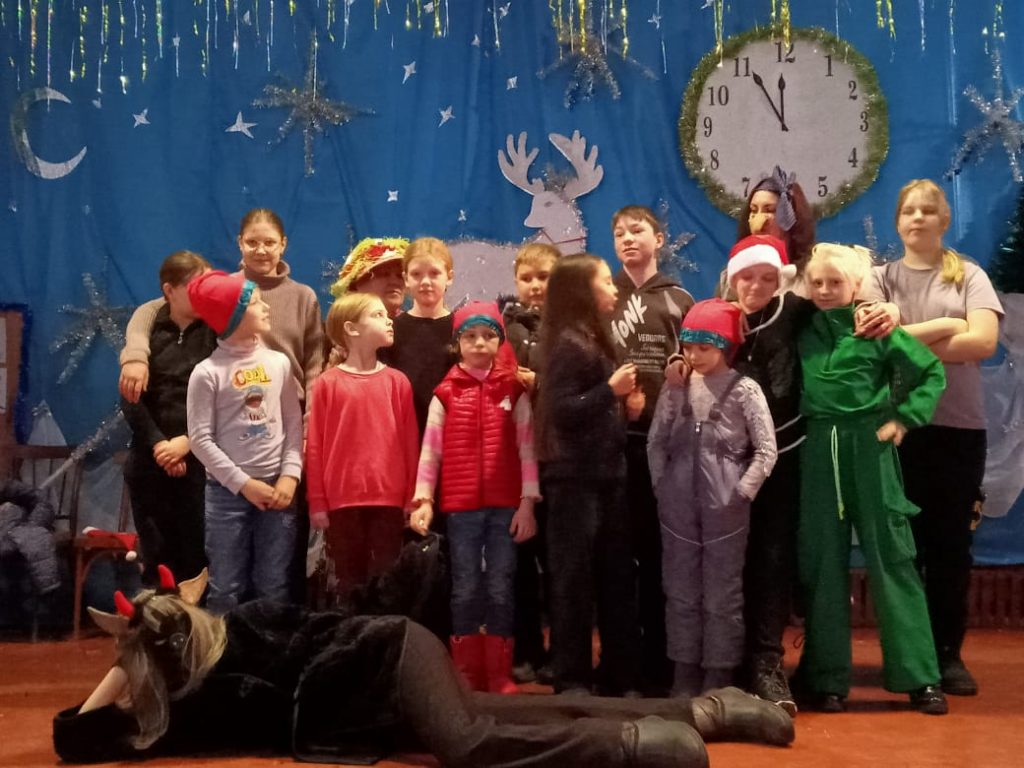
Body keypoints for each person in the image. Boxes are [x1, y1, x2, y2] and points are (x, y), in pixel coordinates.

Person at [54, 567, 795, 767]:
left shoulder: (248, 621)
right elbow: (76, 739)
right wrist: (125, 654)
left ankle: (630, 746)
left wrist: (131, 652)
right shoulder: (182, 710)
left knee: (466, 745)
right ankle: (710, 710)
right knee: (511, 714)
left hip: (394, 653)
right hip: (379, 707)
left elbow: (348, 628)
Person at [858, 179, 1004, 696]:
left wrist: (907, 339)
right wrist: (946, 325)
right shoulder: (878, 280)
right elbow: (872, 348)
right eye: (909, 211)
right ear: (898, 221)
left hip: (957, 431)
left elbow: (982, 342)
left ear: (944, 220)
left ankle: (947, 655)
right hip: (896, 430)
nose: (917, 218)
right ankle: (910, 656)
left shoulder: (970, 276)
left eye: (927, 210)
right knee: (903, 549)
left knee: (950, 548)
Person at [793, 243, 948, 715]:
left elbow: (931, 371)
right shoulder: (801, 328)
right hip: (818, 450)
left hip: (870, 446)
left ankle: (920, 677)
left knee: (893, 556)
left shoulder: (875, 326)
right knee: (821, 562)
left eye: (835, 282)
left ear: (856, 285)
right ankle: (826, 679)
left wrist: (905, 418)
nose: (825, 290)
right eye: (817, 282)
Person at [648, 298, 777, 697]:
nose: (694, 356)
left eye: (704, 347)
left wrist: (742, 492)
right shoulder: (675, 388)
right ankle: (684, 670)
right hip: (677, 506)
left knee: (723, 593)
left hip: (727, 509)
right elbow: (656, 442)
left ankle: (718, 673)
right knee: (680, 590)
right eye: (688, 347)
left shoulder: (745, 390)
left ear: (725, 345)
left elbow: (766, 450)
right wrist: (661, 485)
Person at [410, 301, 539, 694]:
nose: (479, 343)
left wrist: (527, 503)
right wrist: (424, 499)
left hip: (505, 507)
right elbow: (430, 451)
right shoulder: (445, 393)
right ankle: (465, 672)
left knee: (500, 586)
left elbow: (527, 449)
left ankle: (499, 672)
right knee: (465, 586)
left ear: (500, 340)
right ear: (458, 342)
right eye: (470, 336)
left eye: (488, 336)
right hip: (462, 509)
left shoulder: (514, 390)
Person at [535, 254, 642, 696]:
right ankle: (572, 676)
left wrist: (624, 408)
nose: (614, 288)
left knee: (614, 575)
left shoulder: (590, 337)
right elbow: (560, 410)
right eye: (605, 281)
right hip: (575, 480)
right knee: (573, 580)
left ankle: (618, 672)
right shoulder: (569, 343)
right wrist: (609, 392)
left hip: (606, 475)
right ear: (584, 290)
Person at [608, 205, 694, 695]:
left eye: (637, 230)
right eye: (619, 233)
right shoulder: (604, 295)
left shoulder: (679, 299)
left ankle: (662, 661)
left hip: (664, 445)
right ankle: (619, 663)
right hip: (612, 444)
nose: (627, 238)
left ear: (658, 239)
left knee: (659, 554)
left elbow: (693, 365)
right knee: (617, 557)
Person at [120, 209, 324, 412]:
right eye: (252, 242)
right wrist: (136, 356)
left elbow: (314, 366)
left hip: (291, 409)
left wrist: (310, 420)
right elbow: (154, 308)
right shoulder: (225, 288)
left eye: (269, 242)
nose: (261, 251)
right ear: (240, 243)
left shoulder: (304, 296)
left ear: (283, 244)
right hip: (237, 408)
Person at [185, 271, 303, 613]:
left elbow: (293, 423)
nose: (266, 307)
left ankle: (269, 646)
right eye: (255, 303)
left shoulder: (279, 363)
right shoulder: (207, 372)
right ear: (232, 316)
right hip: (226, 495)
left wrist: (290, 475)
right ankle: (222, 647)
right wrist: (243, 484)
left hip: (278, 490)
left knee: (274, 584)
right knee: (225, 586)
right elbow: (200, 440)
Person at [305, 293, 420, 601]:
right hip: (342, 501)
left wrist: (411, 496)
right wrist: (317, 502)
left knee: (386, 581)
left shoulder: (398, 382)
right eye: (378, 315)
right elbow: (315, 445)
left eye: (387, 315)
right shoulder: (328, 383)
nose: (389, 321)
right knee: (348, 583)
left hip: (389, 500)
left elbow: (410, 443)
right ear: (351, 328)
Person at [121, 251, 216, 587]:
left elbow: (223, 397)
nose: (203, 293)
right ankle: (155, 616)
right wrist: (160, 444)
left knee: (195, 553)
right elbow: (131, 397)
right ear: (169, 290)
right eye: (195, 286)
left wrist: (186, 443)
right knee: (155, 554)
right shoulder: (149, 327)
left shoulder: (217, 331)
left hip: (199, 455)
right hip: (150, 456)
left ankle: (195, 619)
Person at [502, 242, 559, 685]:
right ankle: (525, 648)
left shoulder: (569, 325)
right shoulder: (503, 329)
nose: (536, 286)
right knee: (519, 561)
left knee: (558, 561)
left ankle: (562, 651)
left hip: (556, 459)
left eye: (544, 277)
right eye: (527, 278)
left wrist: (539, 382)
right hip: (514, 462)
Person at [379, 236, 458, 435]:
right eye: (416, 274)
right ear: (406, 279)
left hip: (452, 434)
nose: (425, 282)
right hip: (404, 434)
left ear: (449, 277)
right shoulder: (390, 330)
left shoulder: (463, 330)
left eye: (434, 273)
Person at [730, 166, 815, 294]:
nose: (759, 219)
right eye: (754, 210)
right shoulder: (736, 271)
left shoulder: (813, 274)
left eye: (769, 210)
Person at [331, 235, 411, 318]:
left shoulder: (414, 324)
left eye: (400, 275)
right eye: (384, 274)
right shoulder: (340, 324)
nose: (394, 281)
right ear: (355, 285)